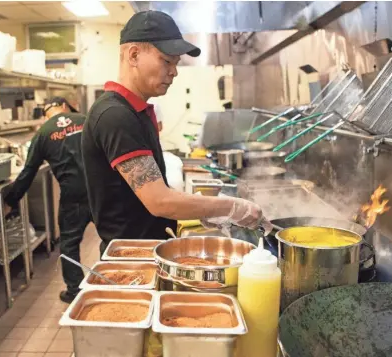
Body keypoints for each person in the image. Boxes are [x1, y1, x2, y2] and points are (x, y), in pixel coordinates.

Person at [82, 10, 271, 254]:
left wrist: (199, 207)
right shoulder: (115, 115)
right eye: (166, 61)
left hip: (149, 249)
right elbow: (159, 201)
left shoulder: (135, 111)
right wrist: (231, 207)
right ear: (134, 55)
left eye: (176, 63)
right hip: (132, 259)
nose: (174, 72)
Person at [4, 97, 92, 303]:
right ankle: (113, 284)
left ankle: (75, 291)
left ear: (46, 114)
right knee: (110, 237)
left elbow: (28, 172)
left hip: (72, 195)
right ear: (63, 107)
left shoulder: (43, 133)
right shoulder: (86, 120)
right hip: (99, 191)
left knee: (69, 243)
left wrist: (11, 200)